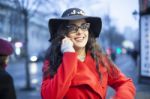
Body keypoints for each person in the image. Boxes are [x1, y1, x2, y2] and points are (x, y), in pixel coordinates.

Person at [41, 8, 136, 99]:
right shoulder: (53, 61)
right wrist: (69, 54)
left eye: (84, 26)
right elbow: (50, 96)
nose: (80, 32)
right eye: (72, 28)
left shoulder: (100, 59)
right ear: (64, 33)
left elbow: (125, 83)